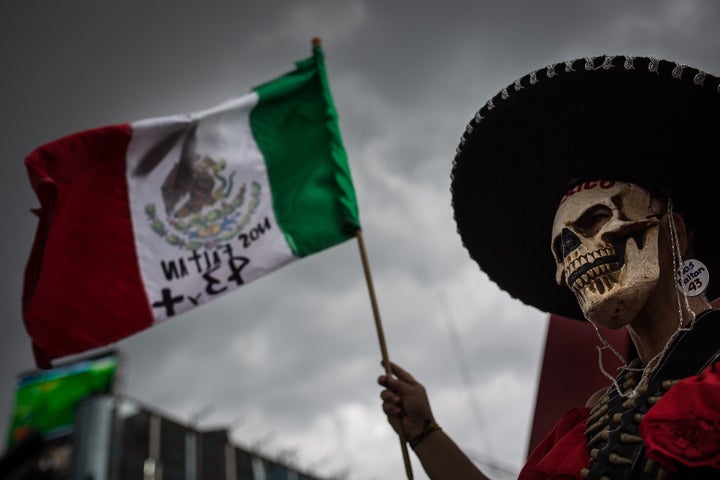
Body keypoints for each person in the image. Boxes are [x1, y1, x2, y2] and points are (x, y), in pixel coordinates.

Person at [378, 55, 720, 479]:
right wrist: (424, 432)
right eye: (561, 246)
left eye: (595, 220)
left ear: (676, 233)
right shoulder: (590, 420)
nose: (572, 257)